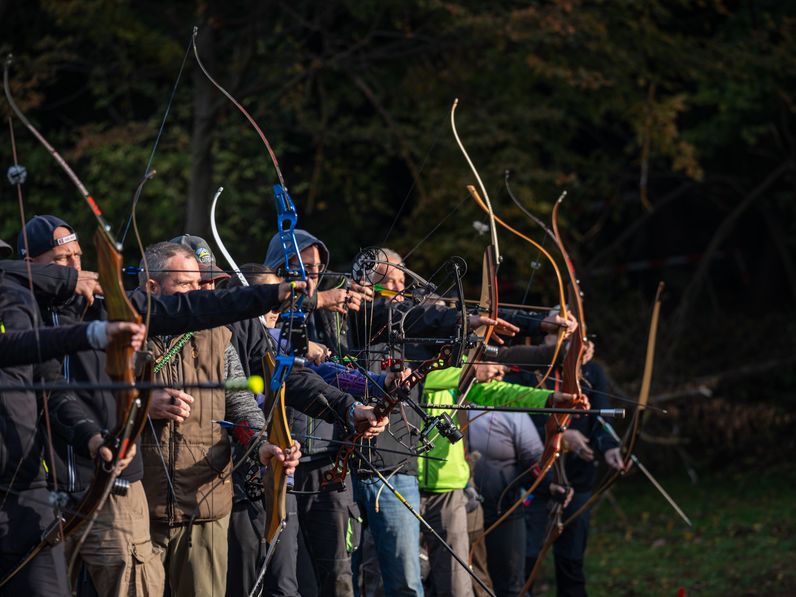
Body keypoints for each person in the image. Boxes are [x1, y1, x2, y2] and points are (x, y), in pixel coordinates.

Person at [7, 215, 299, 597]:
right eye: (61, 260)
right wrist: (143, 403)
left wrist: (271, 295)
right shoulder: (29, 313)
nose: (76, 268)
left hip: (152, 494)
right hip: (60, 494)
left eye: (78, 257)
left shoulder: (137, 315)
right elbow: (55, 391)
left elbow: (235, 392)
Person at [137, 241, 302, 597]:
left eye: (200, 283)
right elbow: (88, 405)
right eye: (185, 285)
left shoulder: (218, 336)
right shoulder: (121, 335)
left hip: (204, 506)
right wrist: (141, 404)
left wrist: (262, 447)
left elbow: (241, 404)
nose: (199, 292)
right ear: (152, 288)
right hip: (137, 509)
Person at [0, 241, 143, 597]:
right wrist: (91, 334)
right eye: (62, 261)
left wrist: (93, 438)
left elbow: (50, 389)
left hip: (25, 496)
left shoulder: (15, 305)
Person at [524, 339, 626, 597]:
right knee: (526, 558)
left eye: (571, 333)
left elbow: (600, 415)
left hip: (577, 477)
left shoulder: (590, 371)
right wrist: (563, 435)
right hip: (535, 478)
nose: (563, 341)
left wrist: (609, 445)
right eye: (554, 333)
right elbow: (518, 421)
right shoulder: (527, 370)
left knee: (571, 560)